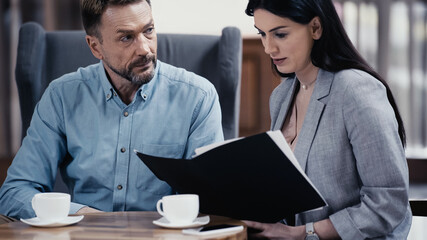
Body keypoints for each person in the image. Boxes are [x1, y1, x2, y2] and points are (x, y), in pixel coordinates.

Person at [0, 0, 223, 222]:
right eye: (126, 37)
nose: (144, 49)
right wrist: (87, 217)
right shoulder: (61, 97)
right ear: (95, 46)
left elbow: (211, 200)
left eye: (149, 30)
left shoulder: (198, 97)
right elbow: (15, 193)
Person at [243, 0, 412, 239]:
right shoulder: (282, 96)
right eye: (262, 34)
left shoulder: (354, 89)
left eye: (280, 34)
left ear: (315, 28)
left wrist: (304, 233)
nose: (268, 48)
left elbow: (388, 202)